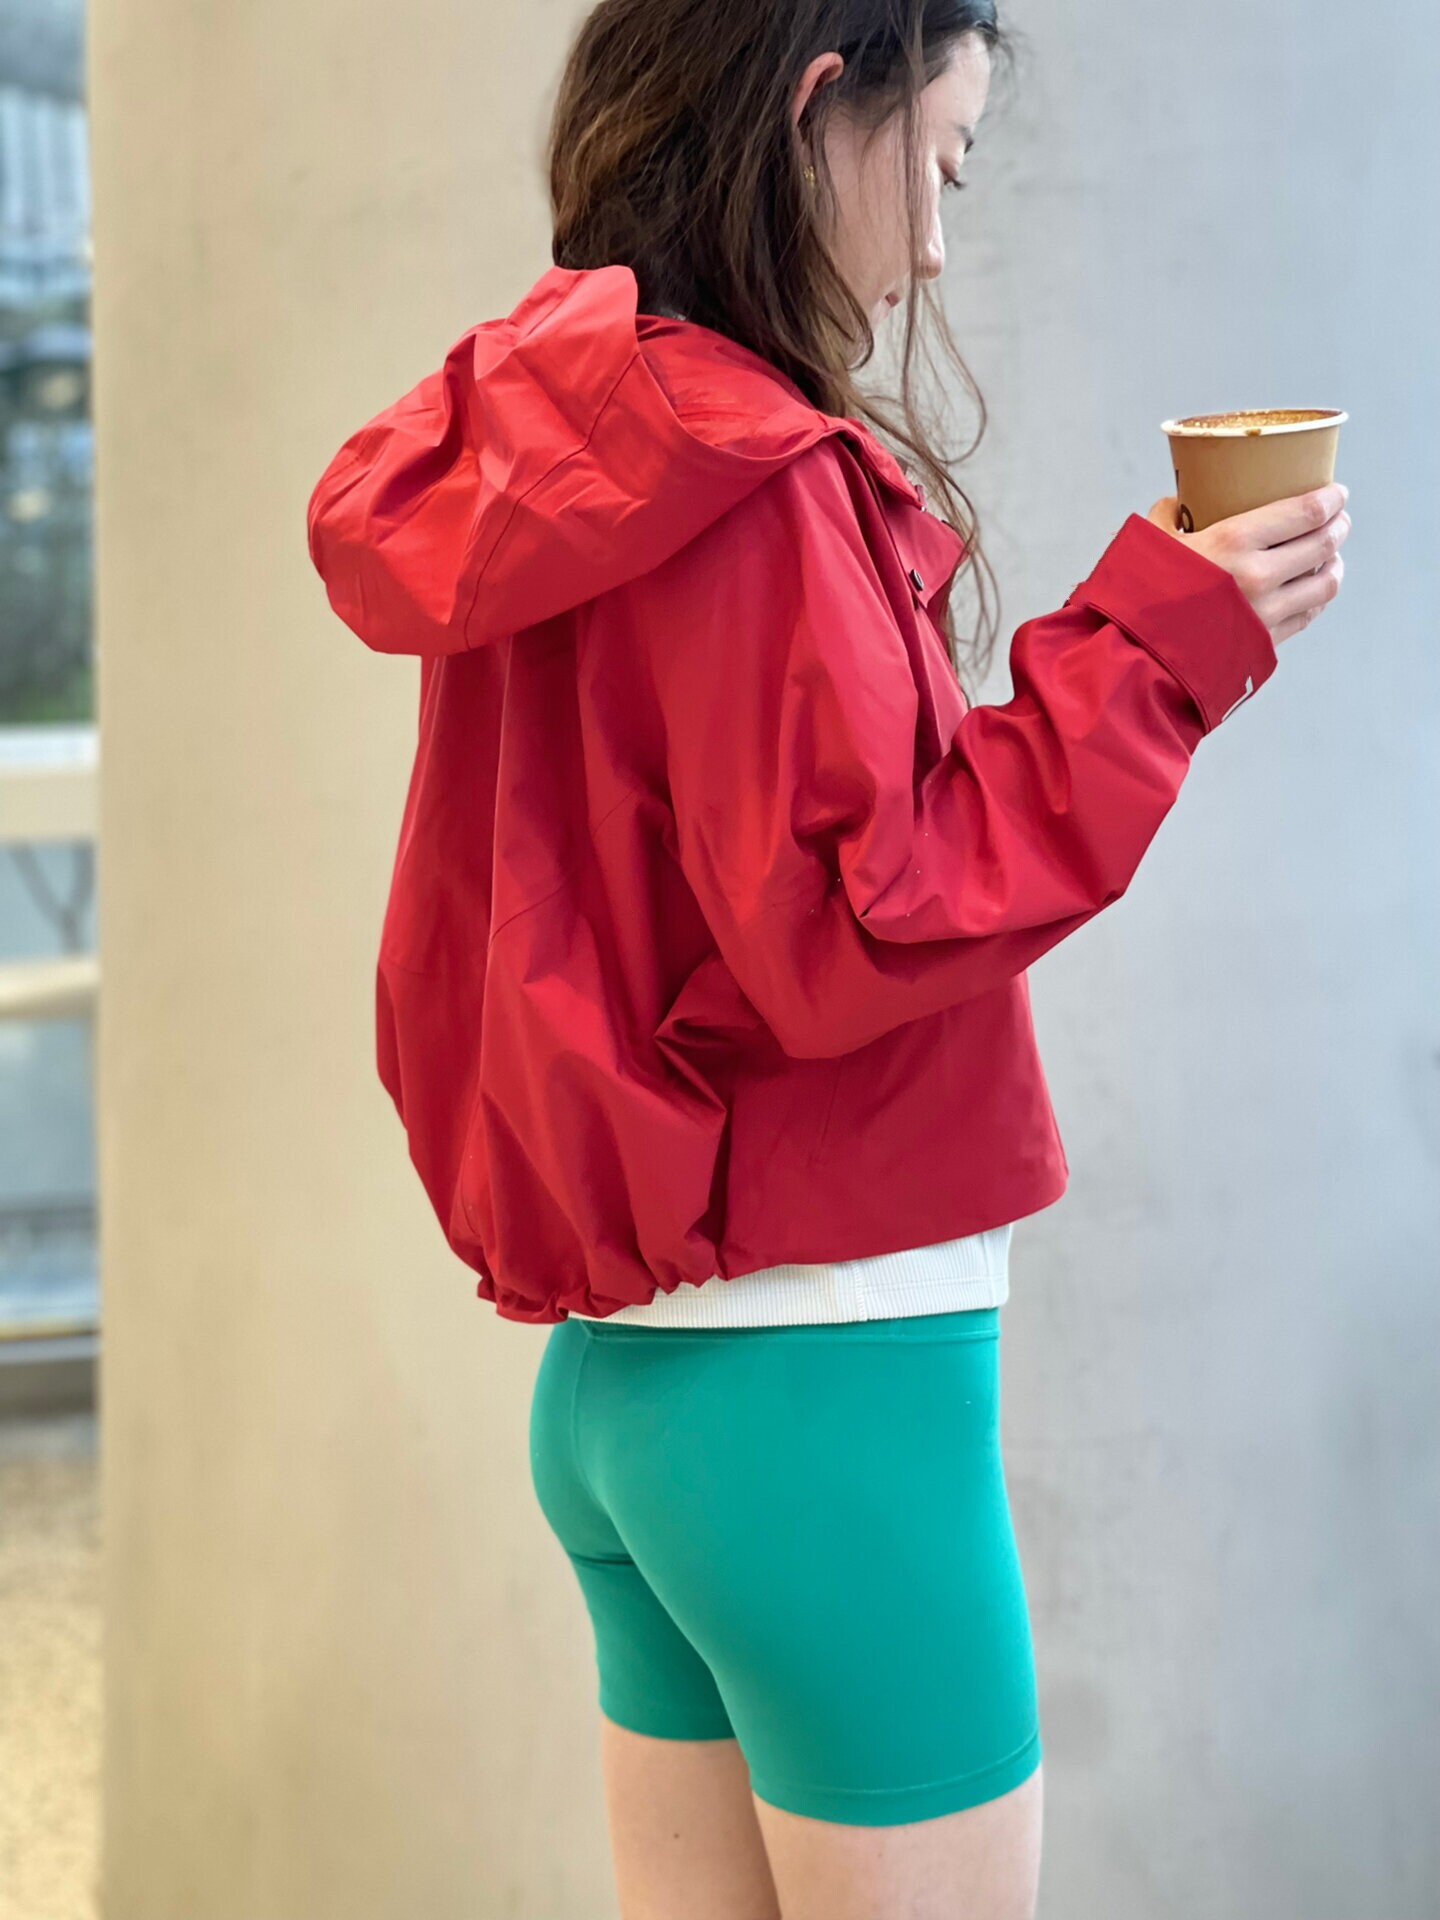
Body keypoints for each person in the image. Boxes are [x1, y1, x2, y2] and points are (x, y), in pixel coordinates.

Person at [305, 2, 1351, 1913]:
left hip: (629, 1399)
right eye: (942, 161)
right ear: (817, 111)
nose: (934, 250)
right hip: (824, 1399)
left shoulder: (554, 449)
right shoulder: (748, 471)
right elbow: (877, 903)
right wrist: (1165, 641)